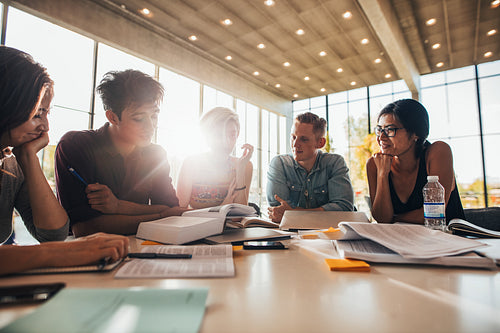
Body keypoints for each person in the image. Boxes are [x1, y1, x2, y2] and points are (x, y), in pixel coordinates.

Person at [0, 46, 128, 275]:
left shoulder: (11, 162)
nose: (46, 127)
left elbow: (53, 234)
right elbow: (55, 246)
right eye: (37, 114)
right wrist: (56, 254)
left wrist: (29, 158)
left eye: (47, 114)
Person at [55, 70, 186, 237]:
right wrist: (159, 215)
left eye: (154, 116)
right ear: (112, 117)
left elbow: (172, 210)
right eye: (139, 118)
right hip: (91, 253)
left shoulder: (156, 155)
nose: (151, 126)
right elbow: (85, 228)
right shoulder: (76, 146)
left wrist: (118, 206)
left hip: (141, 248)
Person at [366, 99, 465, 224]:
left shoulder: (438, 152)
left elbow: (433, 213)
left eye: (390, 130)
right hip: (401, 241)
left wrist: (393, 218)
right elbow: (382, 218)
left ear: (415, 133)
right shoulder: (374, 164)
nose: (381, 137)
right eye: (380, 129)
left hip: (450, 238)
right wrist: (382, 174)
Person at [267, 112, 354, 223]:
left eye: (303, 139)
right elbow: (277, 211)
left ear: (320, 143)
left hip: (330, 234)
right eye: (293, 137)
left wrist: (293, 215)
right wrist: (320, 213)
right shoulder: (280, 164)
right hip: (292, 236)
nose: (295, 144)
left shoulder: (335, 163)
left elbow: (344, 208)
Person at [176, 107, 253, 208]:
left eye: (232, 135)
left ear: (237, 134)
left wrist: (240, 171)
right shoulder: (191, 164)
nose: (226, 141)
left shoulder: (245, 165)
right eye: (219, 135)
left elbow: (238, 217)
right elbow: (178, 212)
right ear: (207, 136)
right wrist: (221, 208)